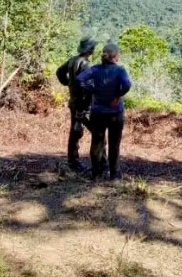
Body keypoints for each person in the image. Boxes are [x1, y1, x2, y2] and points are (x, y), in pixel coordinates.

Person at [76, 41, 131, 181]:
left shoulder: (95, 69)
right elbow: (127, 84)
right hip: (115, 113)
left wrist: (92, 89)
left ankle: (96, 174)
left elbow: (79, 79)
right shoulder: (120, 70)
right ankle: (114, 175)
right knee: (114, 144)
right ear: (116, 56)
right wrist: (117, 96)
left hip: (98, 112)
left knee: (96, 142)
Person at [55, 36, 103, 174]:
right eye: (93, 47)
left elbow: (59, 72)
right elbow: (88, 85)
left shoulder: (72, 60)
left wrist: (67, 83)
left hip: (73, 101)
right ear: (90, 50)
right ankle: (85, 162)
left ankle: (73, 160)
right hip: (83, 102)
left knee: (75, 130)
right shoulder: (86, 64)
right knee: (89, 131)